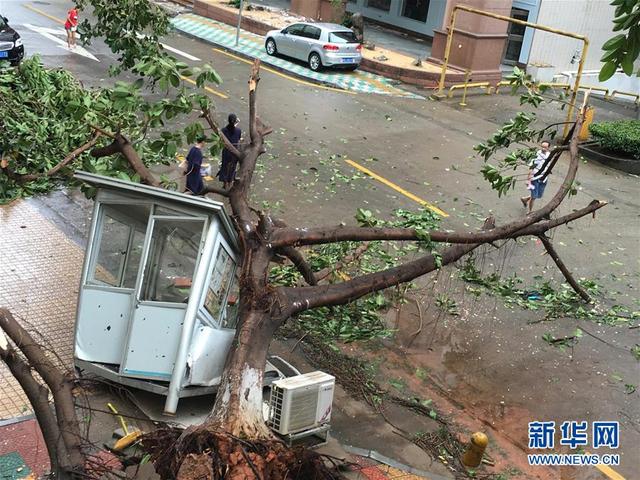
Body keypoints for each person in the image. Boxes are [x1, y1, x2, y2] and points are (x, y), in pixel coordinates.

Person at [521, 140, 551, 213]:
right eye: (542, 147)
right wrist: (528, 179)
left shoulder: (549, 155)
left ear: (548, 148)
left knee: (538, 195)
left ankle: (525, 199)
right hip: (535, 178)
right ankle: (530, 211)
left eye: (545, 147)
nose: (543, 149)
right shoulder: (536, 155)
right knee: (534, 197)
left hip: (544, 178)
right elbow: (531, 167)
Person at [217, 114, 241, 190]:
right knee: (232, 167)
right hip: (234, 153)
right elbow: (237, 137)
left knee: (224, 166)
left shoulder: (223, 130)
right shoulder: (238, 131)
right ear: (235, 121)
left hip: (226, 151)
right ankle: (230, 183)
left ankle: (225, 183)